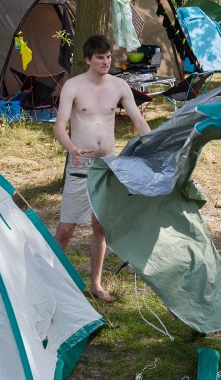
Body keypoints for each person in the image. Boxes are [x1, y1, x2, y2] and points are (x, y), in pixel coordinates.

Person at [54, 34, 151, 301]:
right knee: (65, 229)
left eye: (108, 57)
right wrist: (72, 148)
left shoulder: (119, 86)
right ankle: (50, 281)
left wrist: (152, 143)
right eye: (100, 57)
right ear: (88, 59)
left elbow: (138, 119)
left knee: (100, 226)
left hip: (108, 163)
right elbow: (59, 126)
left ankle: (95, 285)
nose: (105, 62)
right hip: (80, 162)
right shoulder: (73, 86)